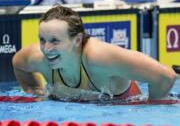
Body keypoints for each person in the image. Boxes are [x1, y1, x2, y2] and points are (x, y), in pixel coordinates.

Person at [12, 5, 177, 102]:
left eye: (55, 41)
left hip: (123, 111)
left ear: (77, 40)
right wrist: (35, 93)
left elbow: (165, 76)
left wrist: (151, 106)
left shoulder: (99, 57)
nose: (46, 48)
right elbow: (18, 64)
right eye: (42, 40)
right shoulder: (37, 57)